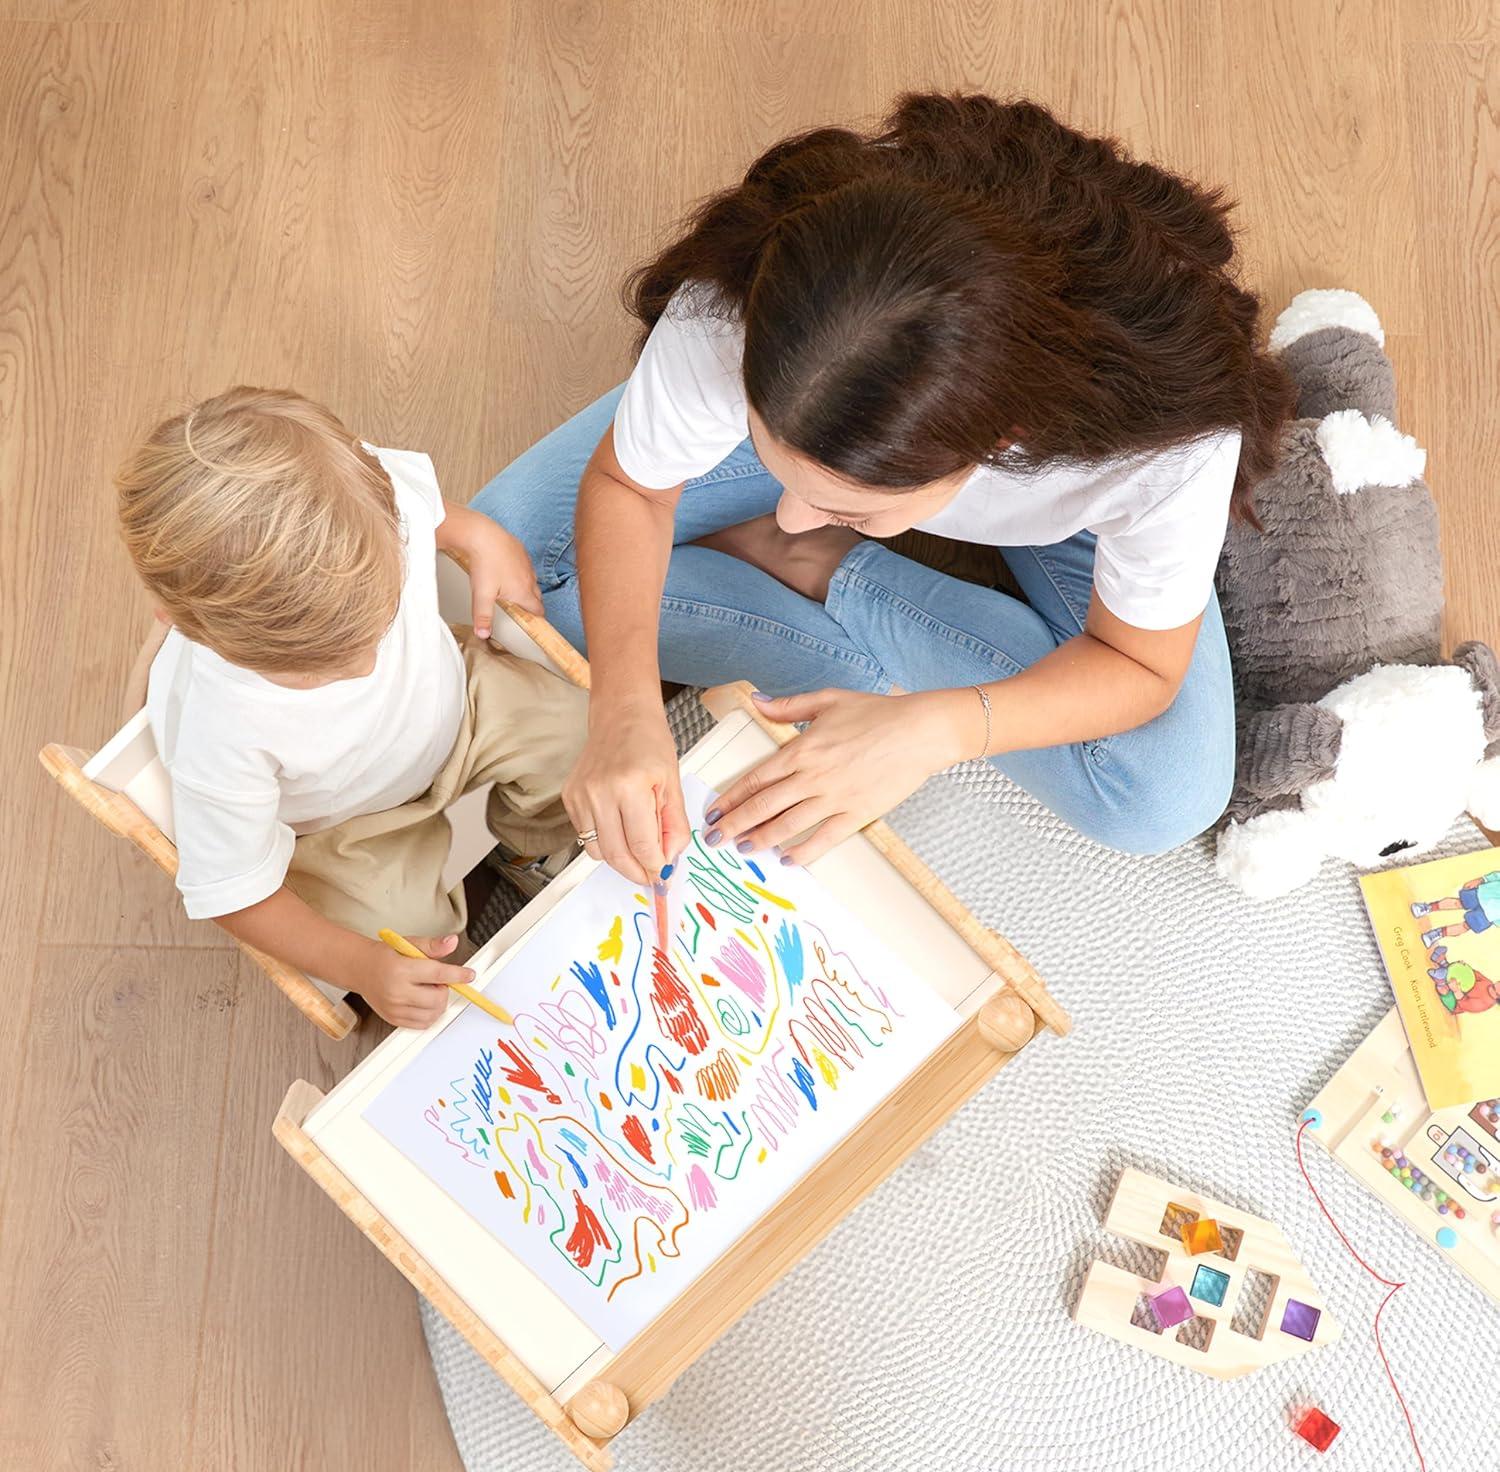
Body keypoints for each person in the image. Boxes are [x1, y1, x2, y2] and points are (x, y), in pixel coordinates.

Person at [473, 93, 1295, 886]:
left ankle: (832, 585)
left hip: (1071, 449)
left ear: (1000, 444)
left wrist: (935, 729)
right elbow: (630, 486)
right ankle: (826, 568)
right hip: (832, 414)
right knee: (501, 585)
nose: (794, 518)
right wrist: (624, 710)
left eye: (845, 513)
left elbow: (1139, 663)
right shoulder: (748, 300)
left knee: (1160, 796)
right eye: (784, 476)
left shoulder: (1165, 443)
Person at [116, 386, 587, 1027]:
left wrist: (476, 533)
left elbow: (429, 512)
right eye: (319, 669)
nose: (366, 668)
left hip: (456, 711)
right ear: (194, 632)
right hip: (342, 829)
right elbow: (235, 894)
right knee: (406, 943)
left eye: (378, 629)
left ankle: (526, 850)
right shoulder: (220, 731)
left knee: (575, 731)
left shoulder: (365, 494)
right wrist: (363, 967)